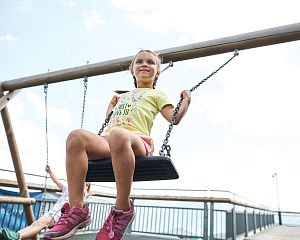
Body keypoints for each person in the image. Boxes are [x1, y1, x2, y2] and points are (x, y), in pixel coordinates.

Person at [43, 49, 191, 240]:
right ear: (132, 70)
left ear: (158, 73)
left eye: (150, 62)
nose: (144, 64)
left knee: (119, 135)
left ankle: (122, 210)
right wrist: (111, 108)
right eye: (139, 62)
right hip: (110, 140)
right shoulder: (124, 96)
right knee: (76, 136)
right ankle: (76, 210)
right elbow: (112, 122)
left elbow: (174, 117)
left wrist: (186, 100)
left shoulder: (157, 95)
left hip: (137, 142)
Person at [0, 165, 91, 240]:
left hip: (60, 216)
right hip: (53, 213)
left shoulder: (82, 194)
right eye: (84, 182)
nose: (84, 185)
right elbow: (57, 181)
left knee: (40, 224)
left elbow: (83, 194)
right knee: (36, 224)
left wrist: (82, 184)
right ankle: (16, 235)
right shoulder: (68, 188)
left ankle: (17, 236)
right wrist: (50, 172)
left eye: (87, 185)